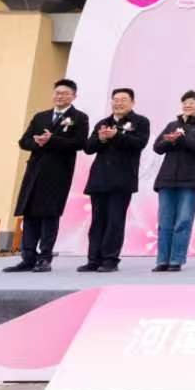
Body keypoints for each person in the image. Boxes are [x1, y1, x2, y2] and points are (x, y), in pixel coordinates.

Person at [7, 79, 88, 272]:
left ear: (74, 96)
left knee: (49, 215)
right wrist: (37, 142)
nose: (60, 96)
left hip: (58, 173)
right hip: (35, 172)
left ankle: (45, 258)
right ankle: (28, 257)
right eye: (57, 93)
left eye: (65, 93)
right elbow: (24, 142)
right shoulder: (40, 117)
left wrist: (52, 140)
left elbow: (80, 143)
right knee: (30, 215)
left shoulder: (79, 117)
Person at [78, 87, 149, 273]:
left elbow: (138, 144)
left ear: (132, 103)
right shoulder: (103, 123)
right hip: (99, 179)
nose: (118, 103)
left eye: (123, 100)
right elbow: (88, 148)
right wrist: (101, 139)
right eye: (115, 99)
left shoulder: (140, 122)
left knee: (115, 221)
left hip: (122, 180)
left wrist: (116, 135)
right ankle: (93, 259)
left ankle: (110, 259)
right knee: (97, 222)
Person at [151, 90, 195, 272]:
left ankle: (176, 260)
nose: (187, 105)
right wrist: (171, 140)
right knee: (165, 221)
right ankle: (162, 260)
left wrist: (183, 138)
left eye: (191, 103)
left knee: (183, 221)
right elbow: (157, 147)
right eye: (185, 102)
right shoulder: (172, 125)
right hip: (167, 179)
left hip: (190, 180)